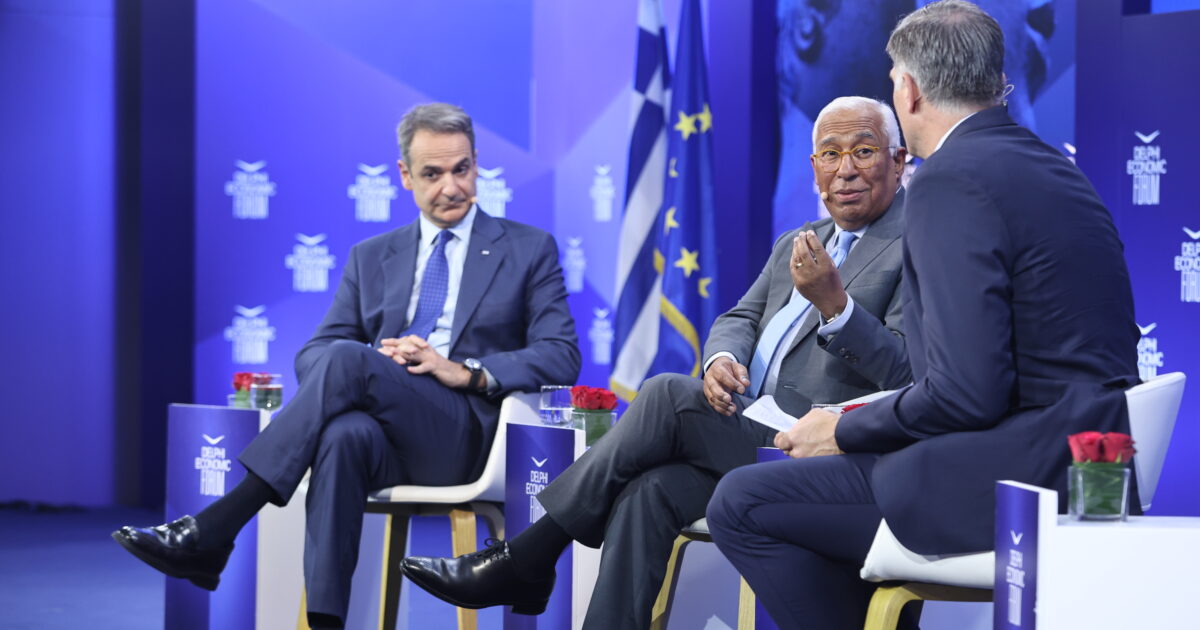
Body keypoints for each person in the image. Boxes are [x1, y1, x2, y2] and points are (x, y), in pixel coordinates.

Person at [400, 96, 913, 629]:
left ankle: (528, 556)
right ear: (814, 167)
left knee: (667, 393)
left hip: (823, 449)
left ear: (898, 161)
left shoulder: (915, 245)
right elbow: (740, 317)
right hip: (749, 430)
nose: (845, 169)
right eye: (830, 153)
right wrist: (720, 359)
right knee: (648, 492)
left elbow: (908, 375)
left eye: (863, 151)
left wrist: (836, 306)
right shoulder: (800, 241)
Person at [706, 2, 1140, 629]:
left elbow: (967, 394)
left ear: (907, 90)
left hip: (1019, 475)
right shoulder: (1056, 169)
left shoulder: (947, 182)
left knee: (742, 500)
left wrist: (842, 429)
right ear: (998, 80)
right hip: (1090, 461)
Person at [112, 103, 581, 629]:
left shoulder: (527, 248)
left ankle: (218, 527)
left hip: (464, 437)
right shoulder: (372, 255)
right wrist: (376, 366)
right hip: (386, 438)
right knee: (343, 434)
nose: (451, 187)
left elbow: (560, 352)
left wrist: (463, 370)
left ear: (476, 163)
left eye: (462, 169)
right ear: (405, 175)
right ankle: (326, 621)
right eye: (432, 173)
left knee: (347, 361)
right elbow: (315, 352)